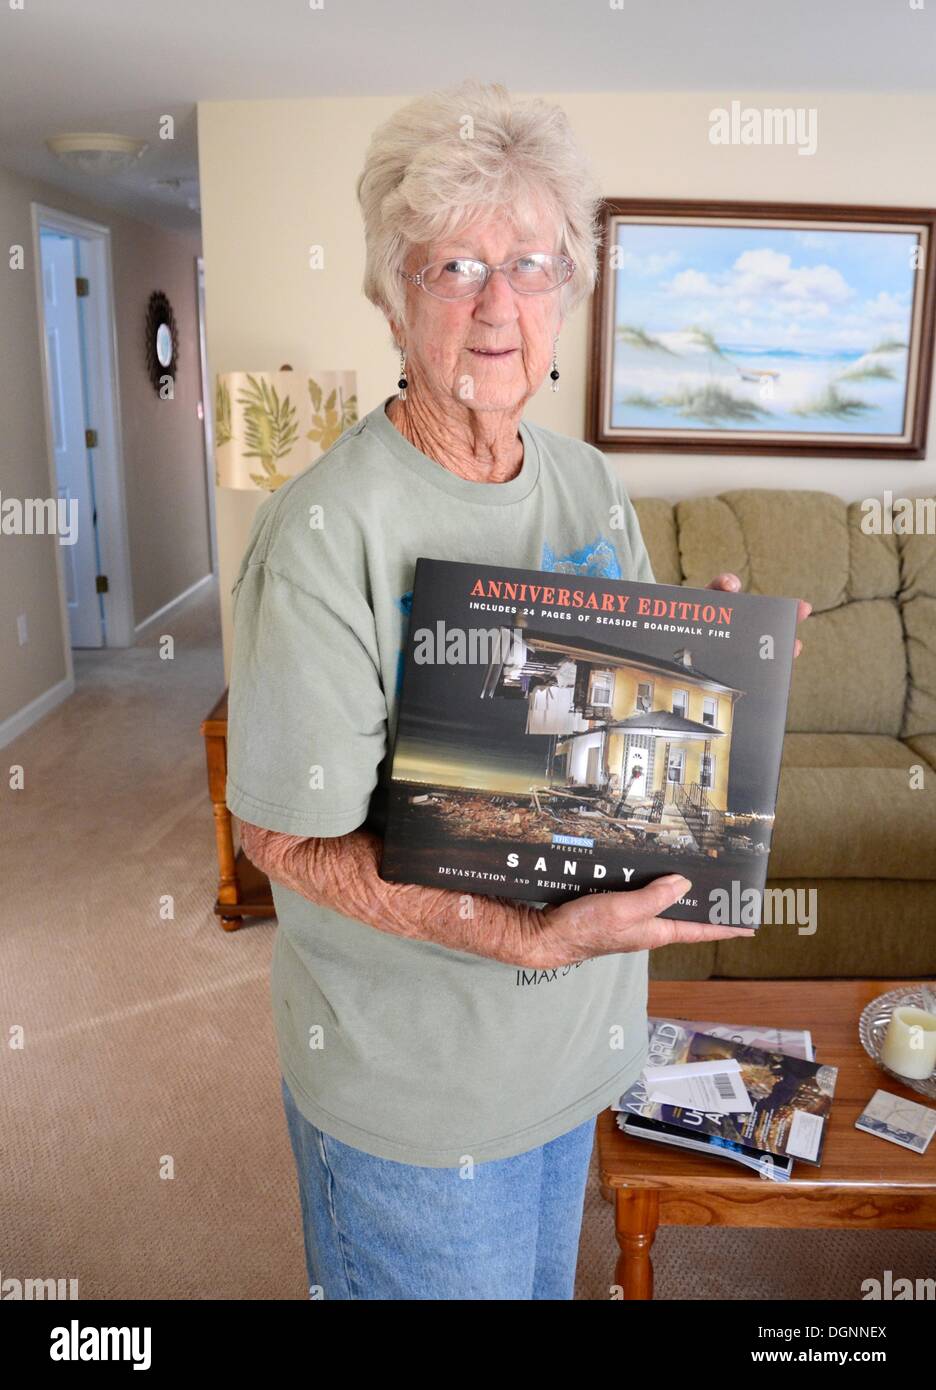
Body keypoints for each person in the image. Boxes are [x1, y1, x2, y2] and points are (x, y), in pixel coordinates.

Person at [225, 79, 810, 1301]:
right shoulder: (329, 527)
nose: (498, 307)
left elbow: (621, 753)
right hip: (418, 1095)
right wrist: (530, 935)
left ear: (568, 295)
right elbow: (279, 833)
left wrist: (723, 670)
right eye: (455, 269)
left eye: (533, 266)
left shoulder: (591, 483)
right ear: (395, 295)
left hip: (575, 1056)